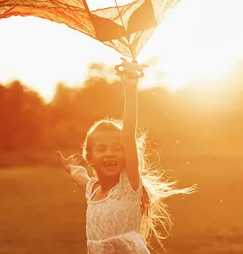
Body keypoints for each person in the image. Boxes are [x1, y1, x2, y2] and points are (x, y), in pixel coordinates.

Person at [57, 58, 195, 253]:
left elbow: (128, 134)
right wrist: (71, 167)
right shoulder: (92, 189)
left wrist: (130, 89)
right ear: (90, 158)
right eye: (102, 149)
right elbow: (79, 176)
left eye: (117, 148)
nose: (110, 153)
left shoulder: (129, 185)